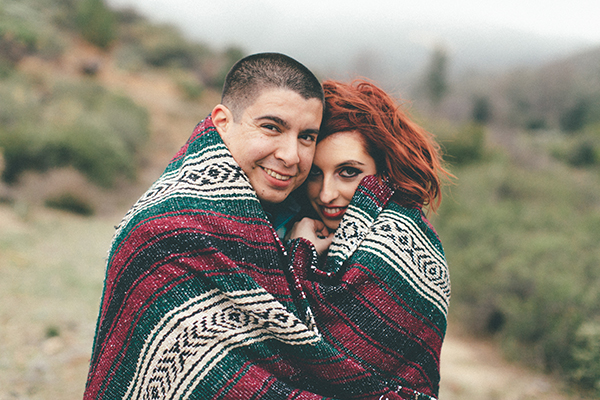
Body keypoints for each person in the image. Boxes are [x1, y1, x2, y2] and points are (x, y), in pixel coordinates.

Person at [83, 54, 410, 400]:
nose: (291, 155)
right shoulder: (165, 231)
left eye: (306, 137)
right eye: (272, 127)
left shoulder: (307, 214)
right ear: (223, 122)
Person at [286, 79, 452, 399]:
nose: (326, 194)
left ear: (384, 169)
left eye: (348, 172)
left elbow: (308, 350)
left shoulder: (396, 244)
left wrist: (300, 250)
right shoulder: (306, 225)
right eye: (315, 173)